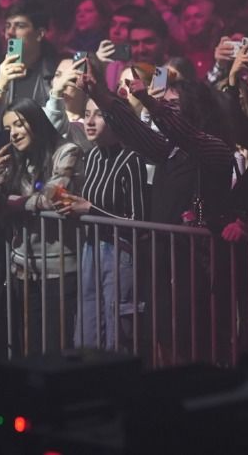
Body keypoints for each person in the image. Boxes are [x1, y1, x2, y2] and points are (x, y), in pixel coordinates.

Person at [0, 102, 83, 357]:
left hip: (59, 270)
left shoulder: (67, 152)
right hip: (22, 270)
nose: (14, 133)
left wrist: (11, 203)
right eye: (8, 128)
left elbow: (53, 197)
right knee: (28, 349)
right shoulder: (13, 158)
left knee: (56, 348)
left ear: (37, 122)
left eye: (19, 124)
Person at [54, 94, 148, 351]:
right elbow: (88, 204)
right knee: (88, 327)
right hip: (91, 247)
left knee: (117, 330)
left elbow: (138, 221)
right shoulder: (92, 156)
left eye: (99, 115)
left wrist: (89, 209)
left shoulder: (131, 159)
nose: (90, 121)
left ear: (116, 119)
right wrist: (72, 205)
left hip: (120, 252)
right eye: (86, 114)